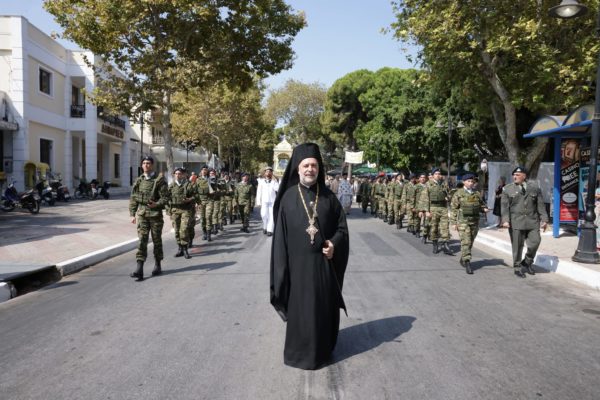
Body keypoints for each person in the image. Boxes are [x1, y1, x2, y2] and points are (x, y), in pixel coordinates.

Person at [270, 143, 349, 370]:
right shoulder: (287, 199)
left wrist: (333, 244)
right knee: (301, 311)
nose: (310, 169)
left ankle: (323, 351)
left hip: (322, 268)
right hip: (297, 268)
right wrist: (281, 270)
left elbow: (342, 229)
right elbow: (280, 240)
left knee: (322, 309)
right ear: (297, 168)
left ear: (318, 168)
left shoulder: (329, 198)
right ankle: (299, 354)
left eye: (314, 165)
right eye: (306, 165)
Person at [501, 166, 549, 278]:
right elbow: (504, 206)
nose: (515, 177)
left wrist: (544, 219)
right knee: (517, 246)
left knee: (535, 242)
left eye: (517, 175)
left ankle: (527, 262)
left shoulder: (534, 188)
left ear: (524, 176)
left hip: (532, 221)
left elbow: (540, 205)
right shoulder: (507, 189)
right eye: (514, 175)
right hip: (516, 222)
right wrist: (505, 220)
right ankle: (517, 267)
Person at [129, 156, 169, 281]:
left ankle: (158, 264)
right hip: (142, 215)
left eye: (148, 163)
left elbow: (165, 198)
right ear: (141, 165)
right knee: (142, 240)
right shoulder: (139, 180)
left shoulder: (159, 180)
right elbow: (134, 197)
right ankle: (139, 269)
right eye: (144, 163)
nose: (146, 165)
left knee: (156, 240)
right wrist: (132, 214)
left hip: (155, 216)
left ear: (152, 165)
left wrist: (156, 204)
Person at [451, 173, 489, 274]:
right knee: (466, 241)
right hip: (463, 222)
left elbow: (481, 205)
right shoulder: (458, 193)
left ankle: (463, 257)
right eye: (468, 181)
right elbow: (454, 208)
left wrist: (484, 209)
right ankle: (467, 262)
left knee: (470, 241)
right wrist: (454, 222)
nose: (471, 183)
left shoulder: (476, 194)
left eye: (472, 181)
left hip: (474, 222)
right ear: (464, 182)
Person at [420, 168, 452, 254]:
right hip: (433, 208)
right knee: (434, 227)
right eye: (436, 173)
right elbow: (424, 198)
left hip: (443, 208)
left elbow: (449, 194)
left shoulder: (444, 184)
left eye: (439, 173)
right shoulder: (428, 184)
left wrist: (448, 198)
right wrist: (426, 211)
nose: (438, 175)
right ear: (433, 175)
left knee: (445, 226)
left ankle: (446, 244)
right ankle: (435, 244)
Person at [166, 167, 194, 259]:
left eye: (179, 174)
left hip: (185, 210)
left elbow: (195, 195)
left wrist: (189, 199)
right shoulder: (171, 186)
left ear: (183, 175)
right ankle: (180, 248)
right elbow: (166, 199)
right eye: (176, 174)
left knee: (184, 229)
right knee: (177, 230)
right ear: (174, 175)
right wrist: (169, 211)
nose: (178, 175)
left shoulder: (188, 185)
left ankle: (185, 249)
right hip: (175, 211)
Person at [256, 166, 279, 236]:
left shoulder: (274, 182)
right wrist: (258, 201)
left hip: (272, 200)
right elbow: (259, 192)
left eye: (270, 171)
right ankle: (265, 226)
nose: (268, 173)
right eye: (267, 171)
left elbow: (277, 189)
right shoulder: (261, 182)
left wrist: (277, 180)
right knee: (263, 214)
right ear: (265, 173)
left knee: (271, 215)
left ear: (271, 173)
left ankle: (270, 230)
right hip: (264, 201)